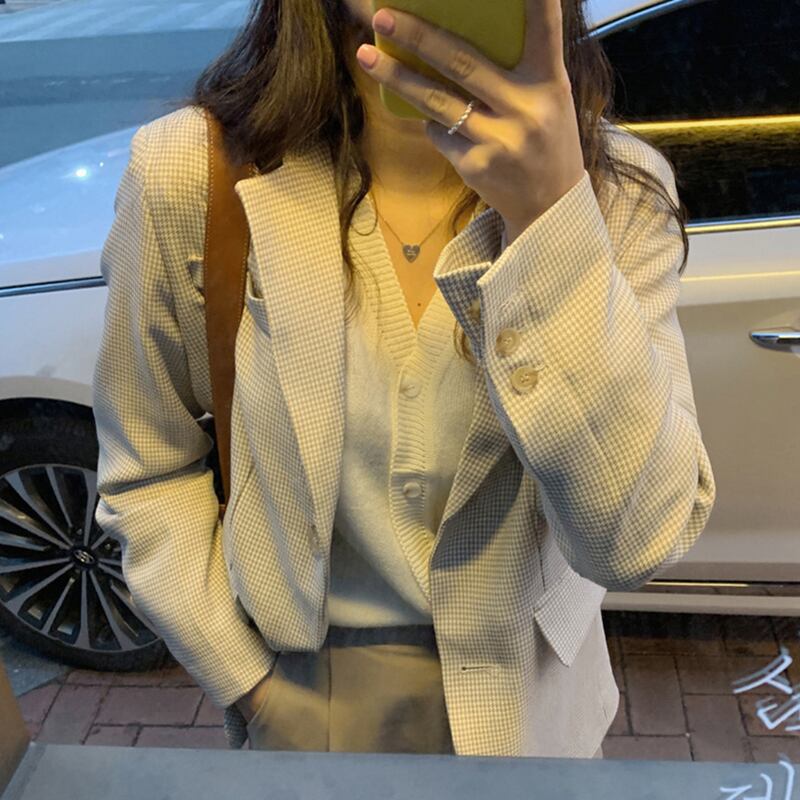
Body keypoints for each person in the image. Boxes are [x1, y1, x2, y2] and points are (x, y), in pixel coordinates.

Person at [92, 0, 716, 759]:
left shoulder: (614, 191)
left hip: (533, 702)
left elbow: (635, 543)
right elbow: (148, 468)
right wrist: (249, 684)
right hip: (309, 696)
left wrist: (549, 219)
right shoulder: (195, 172)